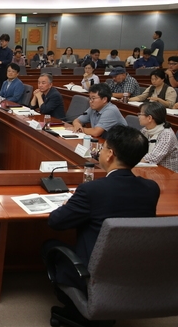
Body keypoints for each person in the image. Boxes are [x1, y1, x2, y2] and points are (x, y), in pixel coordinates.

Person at [45, 125, 159, 318]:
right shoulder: (151, 188)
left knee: (49, 246)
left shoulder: (92, 191)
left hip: (92, 272)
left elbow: (56, 222)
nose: (101, 151)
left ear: (110, 155)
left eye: (104, 147)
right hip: (135, 269)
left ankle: (75, 306)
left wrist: (69, 204)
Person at [138, 102, 178, 172]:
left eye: (140, 114)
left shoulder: (166, 134)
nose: (138, 116)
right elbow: (134, 146)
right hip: (149, 169)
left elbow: (153, 157)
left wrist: (130, 159)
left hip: (167, 174)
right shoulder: (145, 130)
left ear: (149, 118)